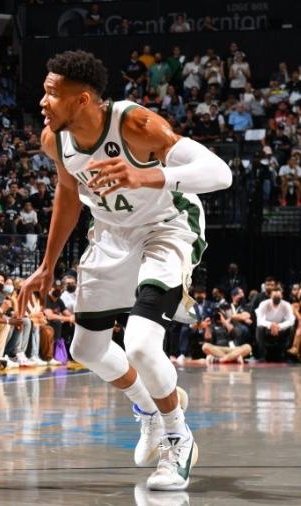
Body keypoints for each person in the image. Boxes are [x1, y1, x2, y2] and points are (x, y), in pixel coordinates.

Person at [19, 50, 232, 491]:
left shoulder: (134, 123)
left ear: (82, 100)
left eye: (52, 94)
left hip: (165, 227)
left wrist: (148, 177)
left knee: (139, 345)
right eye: (44, 90)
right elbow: (68, 193)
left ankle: (178, 438)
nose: (43, 101)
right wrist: (47, 264)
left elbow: (220, 173)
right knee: (88, 349)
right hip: (112, 235)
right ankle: (151, 410)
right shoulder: (54, 140)